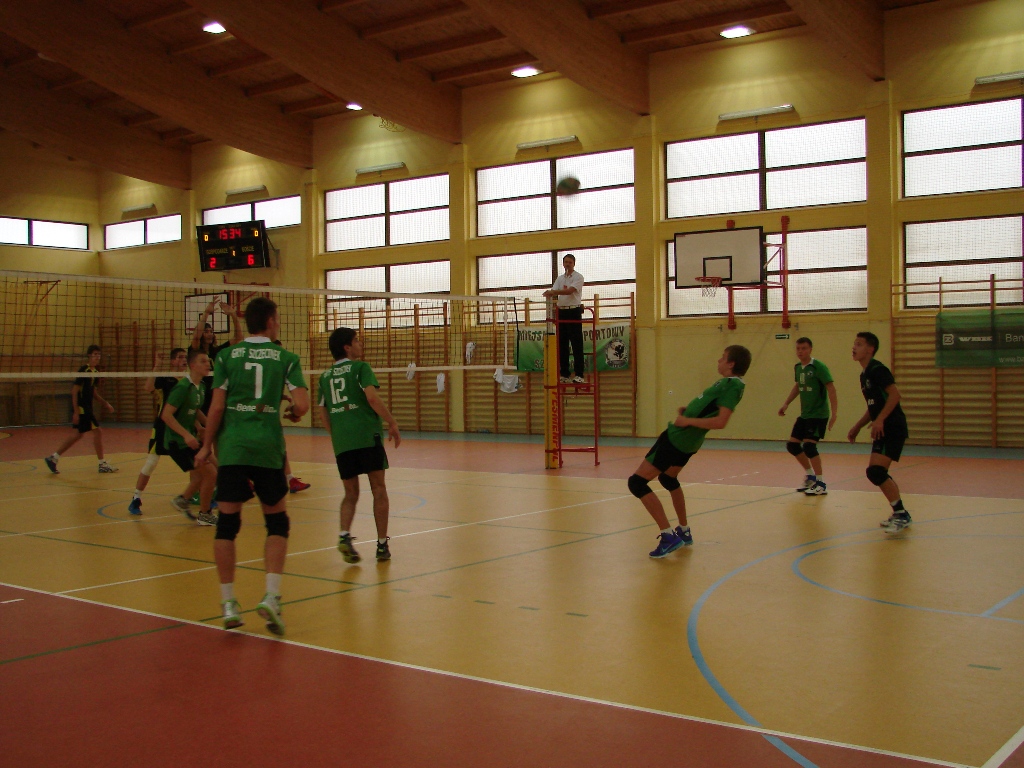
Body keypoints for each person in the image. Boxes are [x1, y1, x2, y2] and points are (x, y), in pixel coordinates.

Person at [196, 297, 308, 634]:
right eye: (278, 319)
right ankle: (271, 596)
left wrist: (206, 446)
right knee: (277, 522)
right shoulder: (287, 358)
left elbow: (216, 408)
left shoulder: (226, 356)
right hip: (267, 449)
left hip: (233, 448)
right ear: (271, 321)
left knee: (227, 525)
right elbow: (302, 404)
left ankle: (229, 603)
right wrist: (293, 411)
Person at [627, 346, 752, 558]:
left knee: (636, 483)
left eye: (723, 358)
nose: (719, 360)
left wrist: (687, 421)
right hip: (689, 442)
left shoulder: (732, 386)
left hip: (677, 438)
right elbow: (710, 409)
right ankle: (683, 530)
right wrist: (691, 412)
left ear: (731, 363)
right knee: (668, 479)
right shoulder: (728, 384)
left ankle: (668, 536)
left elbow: (721, 421)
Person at [318, 327, 401, 565]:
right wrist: (392, 422)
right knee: (379, 489)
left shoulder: (324, 377)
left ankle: (344, 535)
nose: (360, 344)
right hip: (366, 436)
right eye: (356, 340)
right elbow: (372, 398)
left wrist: (337, 435)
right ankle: (382, 545)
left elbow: (322, 412)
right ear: (347, 347)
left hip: (342, 442)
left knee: (350, 493)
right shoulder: (360, 368)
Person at [848, 332, 911, 533]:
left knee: (876, 472)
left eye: (859, 344)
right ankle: (899, 512)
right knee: (875, 472)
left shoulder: (877, 369)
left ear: (870, 349)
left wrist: (880, 420)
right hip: (883, 427)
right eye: (854, 344)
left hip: (892, 426)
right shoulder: (864, 375)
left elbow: (895, 395)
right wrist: (857, 426)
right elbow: (873, 406)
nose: (854, 347)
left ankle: (901, 514)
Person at [161, 348, 218, 526]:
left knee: (207, 471)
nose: (208, 364)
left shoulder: (201, 387)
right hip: (177, 442)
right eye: (203, 361)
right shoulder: (183, 387)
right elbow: (166, 415)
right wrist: (186, 435)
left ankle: (183, 500)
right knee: (211, 474)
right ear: (192, 365)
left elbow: (194, 410)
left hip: (191, 439)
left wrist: (206, 426)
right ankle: (205, 514)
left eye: (208, 361)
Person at [128, 347, 187, 515]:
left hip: (181, 428)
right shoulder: (165, 378)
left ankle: (198, 495)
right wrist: (157, 366)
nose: (184, 360)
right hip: (162, 427)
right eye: (180, 357)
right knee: (151, 463)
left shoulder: (189, 381)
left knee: (196, 462)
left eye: (185, 357)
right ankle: (136, 498)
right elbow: (148, 388)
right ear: (173, 361)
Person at [778, 337, 838, 496]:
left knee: (809, 447)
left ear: (810, 349)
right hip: (805, 415)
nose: (800, 351)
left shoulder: (818, 367)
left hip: (818, 415)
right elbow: (798, 386)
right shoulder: (798, 367)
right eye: (798, 348)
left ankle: (821, 483)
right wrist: (786, 403)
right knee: (792, 445)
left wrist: (834, 413)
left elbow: (831, 388)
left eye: (804, 348)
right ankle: (810, 477)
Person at [44, 344, 117, 474]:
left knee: (78, 435)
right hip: (82, 408)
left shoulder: (95, 373)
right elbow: (74, 391)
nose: (97, 357)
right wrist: (76, 412)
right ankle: (102, 464)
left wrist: (105, 403)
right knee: (98, 432)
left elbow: (93, 392)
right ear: (89, 355)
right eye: (95, 354)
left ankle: (53, 458)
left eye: (99, 355)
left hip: (87, 407)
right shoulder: (84, 370)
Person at [192, 297, 243, 414]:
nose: (210, 334)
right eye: (206, 332)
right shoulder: (196, 350)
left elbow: (238, 338)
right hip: (199, 392)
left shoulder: (217, 351)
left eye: (211, 331)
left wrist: (233, 315)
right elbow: (196, 337)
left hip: (215, 393)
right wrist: (206, 313)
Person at [543, 254, 586, 384]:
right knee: (562, 344)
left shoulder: (578, 277)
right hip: (561, 312)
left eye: (570, 262)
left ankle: (579, 375)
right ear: (563, 264)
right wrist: (549, 293)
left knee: (576, 344)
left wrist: (553, 292)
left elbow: (569, 291)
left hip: (574, 311)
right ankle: (565, 374)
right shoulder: (560, 278)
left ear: (574, 263)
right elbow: (553, 290)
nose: (568, 264)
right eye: (566, 262)